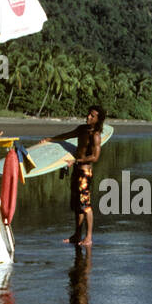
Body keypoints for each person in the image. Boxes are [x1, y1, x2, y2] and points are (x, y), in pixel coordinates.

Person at [38, 105, 104, 245]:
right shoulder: (82, 129)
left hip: (85, 172)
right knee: (76, 205)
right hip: (76, 169)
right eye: (88, 114)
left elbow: (94, 157)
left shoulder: (95, 135)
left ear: (98, 119)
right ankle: (77, 235)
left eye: (92, 116)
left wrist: (75, 160)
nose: (88, 117)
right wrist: (50, 139)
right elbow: (66, 136)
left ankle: (89, 237)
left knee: (85, 205)